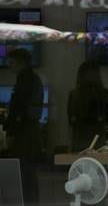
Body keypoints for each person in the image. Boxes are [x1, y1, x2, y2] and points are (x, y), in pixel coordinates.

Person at [3, 48, 43, 204]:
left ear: (20, 62)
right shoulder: (33, 79)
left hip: (24, 136)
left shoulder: (24, 81)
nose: (9, 65)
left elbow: (19, 110)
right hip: (31, 135)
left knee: (24, 175)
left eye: (12, 62)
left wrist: (11, 133)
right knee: (29, 176)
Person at [68, 61, 108, 151]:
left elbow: (71, 122)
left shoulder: (74, 94)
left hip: (79, 141)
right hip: (98, 141)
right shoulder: (103, 93)